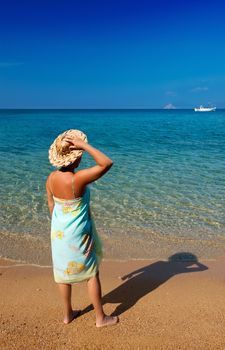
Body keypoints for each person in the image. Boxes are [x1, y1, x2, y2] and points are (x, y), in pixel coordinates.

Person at [46, 129, 118, 327]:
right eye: (80, 155)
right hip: (79, 233)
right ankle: (100, 318)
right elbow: (106, 163)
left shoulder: (51, 178)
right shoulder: (78, 179)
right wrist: (84, 145)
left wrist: (60, 227)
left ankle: (68, 314)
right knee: (91, 273)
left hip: (58, 233)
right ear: (75, 158)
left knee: (63, 275)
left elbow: (51, 205)